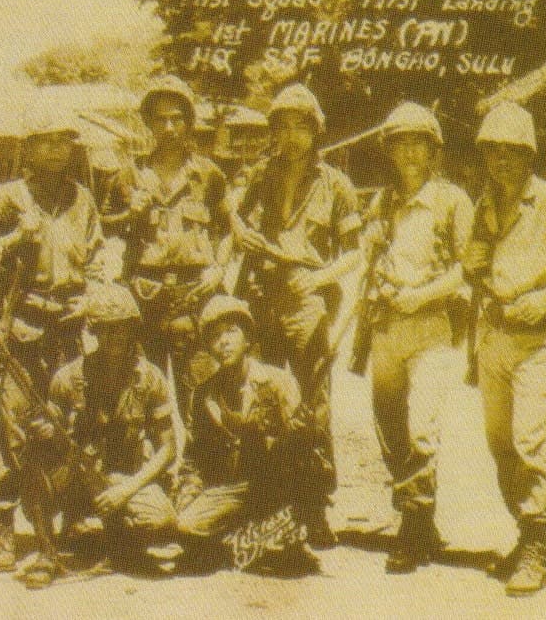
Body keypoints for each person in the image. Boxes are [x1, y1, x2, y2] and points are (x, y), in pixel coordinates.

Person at [463, 102, 546, 596]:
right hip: (494, 336)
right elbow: (474, 260)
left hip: (537, 340)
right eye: (493, 153)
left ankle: (537, 542)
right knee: (500, 443)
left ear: (529, 155)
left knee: (530, 439)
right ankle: (525, 534)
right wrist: (477, 273)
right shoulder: (485, 204)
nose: (501, 162)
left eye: (511, 153)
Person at [0, 104, 108, 573]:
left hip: (68, 327)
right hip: (22, 326)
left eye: (64, 140)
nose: (57, 149)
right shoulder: (8, 196)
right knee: (14, 429)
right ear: (28, 147)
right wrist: (14, 237)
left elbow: (96, 257)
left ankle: (66, 520)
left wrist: (91, 297)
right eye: (47, 140)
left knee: (66, 420)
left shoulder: (82, 198)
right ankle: (6, 525)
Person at [231, 83, 362, 547]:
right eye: (282, 125)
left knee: (312, 406)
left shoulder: (336, 183)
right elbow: (233, 213)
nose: (290, 134)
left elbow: (354, 252)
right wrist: (240, 231)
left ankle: (314, 506)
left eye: (300, 125)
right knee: (267, 399)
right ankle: (274, 503)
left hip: (308, 303)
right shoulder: (261, 175)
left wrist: (323, 278)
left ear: (315, 130)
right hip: (264, 297)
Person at [356, 102, 473, 573]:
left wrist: (421, 295)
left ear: (433, 150)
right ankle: (424, 525)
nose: (408, 151)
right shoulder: (382, 202)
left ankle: (411, 525)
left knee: (423, 427)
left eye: (417, 142)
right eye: (399, 142)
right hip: (387, 329)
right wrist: (380, 282)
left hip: (431, 329)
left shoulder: (452, 201)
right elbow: (368, 257)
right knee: (390, 428)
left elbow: (468, 269)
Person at [18, 283, 178, 588]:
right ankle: (47, 552)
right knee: (34, 456)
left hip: (123, 479)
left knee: (162, 521)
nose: (113, 337)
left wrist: (126, 488)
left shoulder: (150, 377)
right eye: (105, 329)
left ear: (132, 330)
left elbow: (167, 450)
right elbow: (51, 428)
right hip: (78, 476)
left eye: (120, 328)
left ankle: (115, 542)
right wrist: (46, 432)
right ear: (93, 331)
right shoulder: (68, 377)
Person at [101, 75, 232, 417]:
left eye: (177, 118)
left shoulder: (208, 175)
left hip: (195, 292)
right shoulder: (129, 175)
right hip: (146, 293)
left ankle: (193, 464)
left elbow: (230, 229)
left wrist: (218, 267)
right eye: (160, 119)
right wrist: (129, 214)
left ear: (189, 122)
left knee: (199, 382)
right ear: (148, 122)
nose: (170, 127)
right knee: (144, 382)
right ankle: (150, 459)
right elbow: (102, 227)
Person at [174, 294, 321, 574]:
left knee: (287, 546)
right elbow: (194, 456)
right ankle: (248, 540)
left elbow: (307, 451)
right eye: (215, 337)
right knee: (184, 526)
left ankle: (282, 535)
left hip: (277, 485)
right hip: (233, 488)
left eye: (231, 331)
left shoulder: (277, 381)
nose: (224, 342)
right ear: (207, 346)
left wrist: (298, 434)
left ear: (248, 338)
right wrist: (187, 495)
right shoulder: (205, 394)